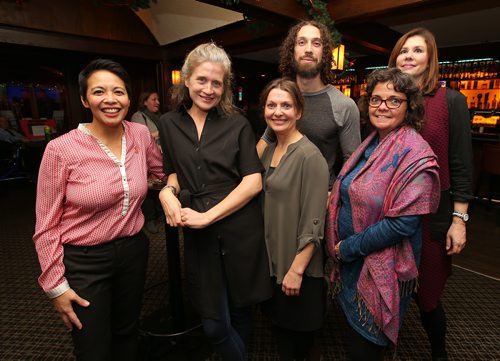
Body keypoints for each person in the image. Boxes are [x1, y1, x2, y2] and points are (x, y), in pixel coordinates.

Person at [33, 59, 165, 361]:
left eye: (118, 91)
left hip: (133, 250)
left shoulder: (139, 135)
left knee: (126, 333)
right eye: (99, 91)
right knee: (92, 345)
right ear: (84, 99)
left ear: (129, 98)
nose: (110, 99)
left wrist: (168, 190)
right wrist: (55, 286)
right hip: (84, 260)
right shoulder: (61, 149)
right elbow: (45, 224)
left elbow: (160, 172)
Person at [157, 42, 272, 361]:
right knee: (214, 325)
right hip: (198, 232)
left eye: (216, 83)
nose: (208, 89)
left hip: (238, 225)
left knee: (240, 311)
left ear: (225, 87)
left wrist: (209, 216)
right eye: (202, 80)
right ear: (187, 79)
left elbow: (253, 181)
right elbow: (173, 171)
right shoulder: (168, 123)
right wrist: (167, 190)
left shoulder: (238, 124)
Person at [325, 68, 441, 360]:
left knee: (365, 347)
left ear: (409, 105)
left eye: (393, 100)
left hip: (379, 267)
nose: (383, 107)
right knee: (354, 341)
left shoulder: (415, 153)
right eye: (376, 100)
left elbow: (401, 225)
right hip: (354, 264)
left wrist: (346, 248)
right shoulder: (372, 141)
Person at [389, 28, 474, 361]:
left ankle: (439, 352)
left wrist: (460, 219)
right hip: (391, 211)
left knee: (428, 294)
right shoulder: (388, 99)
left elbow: (462, 163)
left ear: (430, 58)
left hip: (432, 213)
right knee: (388, 288)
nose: (409, 56)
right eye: (403, 50)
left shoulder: (450, 100)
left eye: (417, 50)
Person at [259, 78, 329, 360]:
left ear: (299, 111)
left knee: (297, 345)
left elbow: (315, 222)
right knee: (280, 334)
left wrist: (296, 270)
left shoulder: (310, 157)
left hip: (297, 267)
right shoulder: (267, 151)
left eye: (286, 105)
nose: (278, 111)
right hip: (273, 262)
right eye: (271, 105)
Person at [256, 20, 360, 188]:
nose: (309, 49)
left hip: (319, 196)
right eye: (301, 42)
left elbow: (352, 162)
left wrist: (333, 197)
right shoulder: (282, 99)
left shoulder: (343, 105)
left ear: (324, 53)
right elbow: (267, 139)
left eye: (316, 43)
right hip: (277, 189)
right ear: (292, 50)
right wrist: (246, 174)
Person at [131, 91, 163, 233]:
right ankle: (149, 220)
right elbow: (141, 137)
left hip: (159, 156)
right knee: (148, 188)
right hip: (144, 158)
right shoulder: (138, 116)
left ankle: (161, 216)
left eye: (158, 99)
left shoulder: (158, 116)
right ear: (145, 102)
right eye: (154, 99)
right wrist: (162, 132)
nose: (157, 102)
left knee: (159, 185)